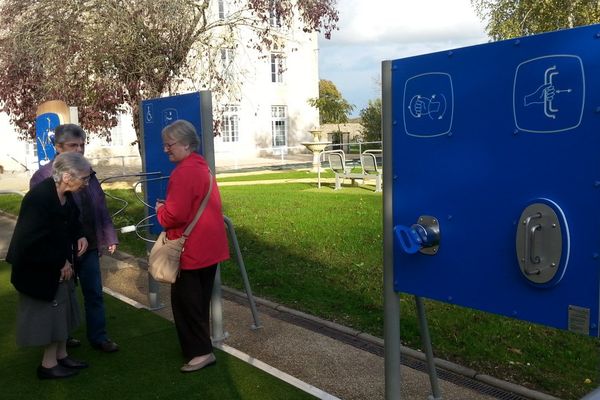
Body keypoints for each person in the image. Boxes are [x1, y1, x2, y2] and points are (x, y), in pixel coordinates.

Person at [30, 123, 119, 353]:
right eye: (73, 145)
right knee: (63, 295)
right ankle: (62, 338)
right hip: (60, 249)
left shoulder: (87, 170)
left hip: (87, 243)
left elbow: (99, 205)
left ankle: (99, 337)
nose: (79, 150)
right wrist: (58, 255)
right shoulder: (42, 177)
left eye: (82, 145)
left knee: (94, 292)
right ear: (58, 147)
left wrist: (108, 235)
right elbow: (44, 220)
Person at [7, 152, 91, 379]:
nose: (86, 183)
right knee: (51, 313)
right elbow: (30, 241)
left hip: (59, 266)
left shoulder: (65, 194)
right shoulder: (39, 198)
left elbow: (72, 220)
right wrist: (59, 261)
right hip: (38, 270)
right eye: (84, 178)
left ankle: (62, 355)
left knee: (63, 308)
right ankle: (48, 365)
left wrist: (80, 235)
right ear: (66, 176)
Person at [155, 120, 229, 372]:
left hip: (190, 249)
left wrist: (160, 211)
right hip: (208, 246)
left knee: (187, 304)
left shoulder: (184, 172)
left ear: (186, 144)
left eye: (169, 144)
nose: (166, 148)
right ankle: (200, 347)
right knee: (198, 300)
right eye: (165, 144)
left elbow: (174, 215)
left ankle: (200, 352)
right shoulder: (201, 166)